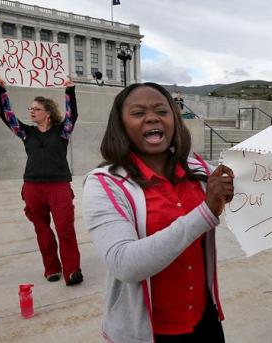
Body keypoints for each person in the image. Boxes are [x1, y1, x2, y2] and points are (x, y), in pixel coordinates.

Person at [82, 82, 234, 342]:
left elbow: (257, 182)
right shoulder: (104, 183)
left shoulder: (197, 169)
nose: (152, 117)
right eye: (138, 112)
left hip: (204, 320)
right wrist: (205, 212)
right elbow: (125, 264)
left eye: (162, 111)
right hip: (149, 331)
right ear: (121, 125)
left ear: (174, 120)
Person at [0, 73, 83, 286]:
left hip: (58, 186)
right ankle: (52, 268)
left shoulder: (63, 132)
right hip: (32, 187)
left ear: (48, 113)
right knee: (42, 230)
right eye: (30, 109)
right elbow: (8, 116)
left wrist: (70, 91)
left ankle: (72, 270)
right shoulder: (26, 133)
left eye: (36, 109)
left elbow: (72, 115)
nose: (32, 111)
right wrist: (0, 91)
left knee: (65, 229)